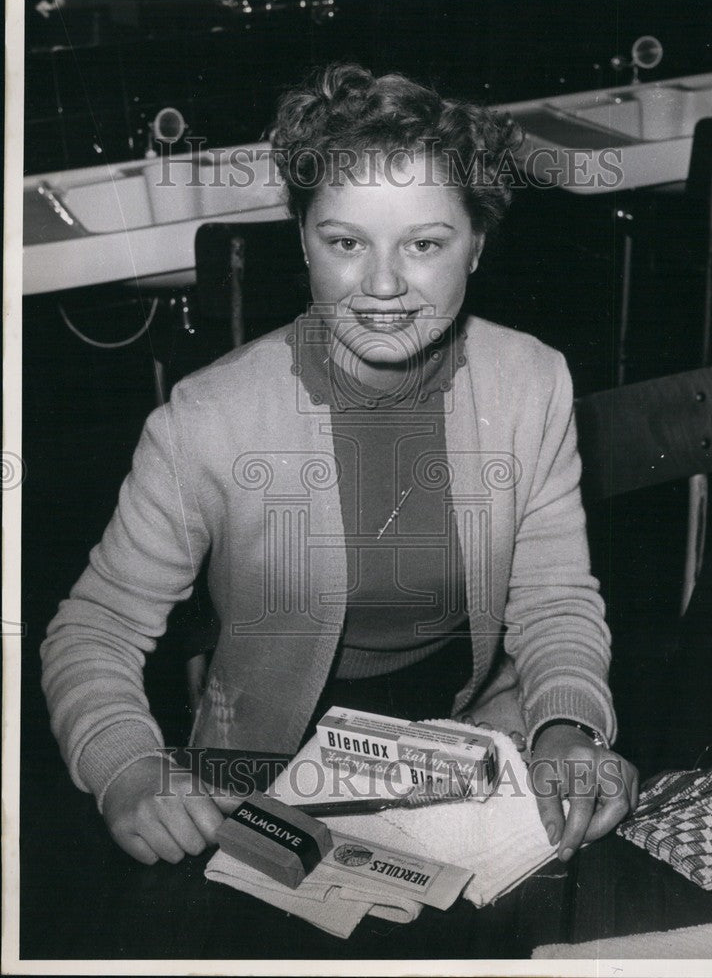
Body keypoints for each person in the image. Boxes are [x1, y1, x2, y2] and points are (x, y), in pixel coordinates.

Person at [41, 62, 638, 869]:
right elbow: (94, 628)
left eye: (425, 243)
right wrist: (126, 765)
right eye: (346, 242)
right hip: (259, 774)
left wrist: (566, 723)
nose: (383, 284)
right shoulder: (205, 420)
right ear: (303, 241)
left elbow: (553, 594)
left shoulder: (531, 382)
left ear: (476, 246)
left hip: (474, 741)